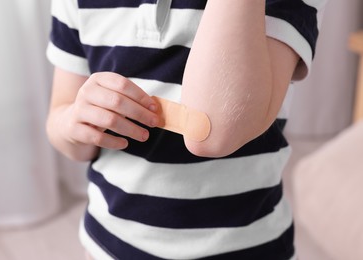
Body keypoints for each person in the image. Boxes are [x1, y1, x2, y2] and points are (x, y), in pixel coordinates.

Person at [46, 0, 326, 259]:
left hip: (245, 247)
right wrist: (74, 122)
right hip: (109, 244)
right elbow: (64, 125)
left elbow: (214, 133)